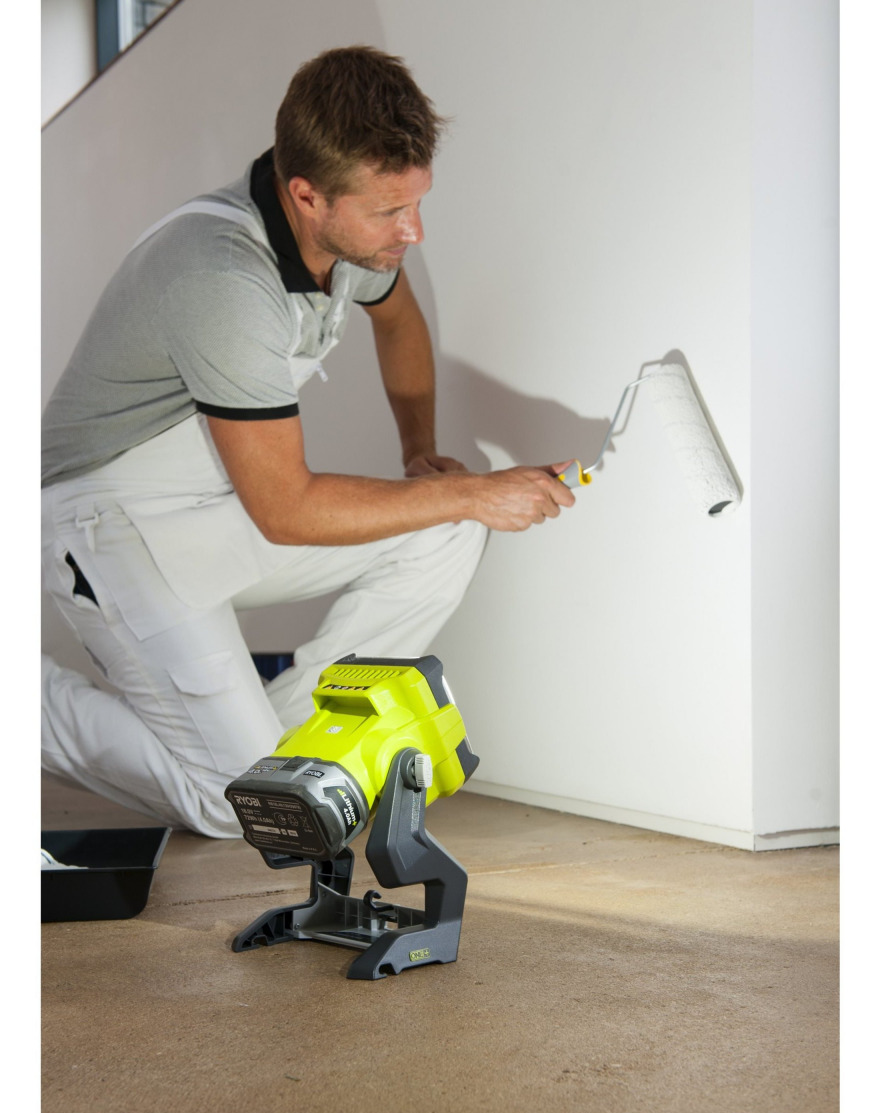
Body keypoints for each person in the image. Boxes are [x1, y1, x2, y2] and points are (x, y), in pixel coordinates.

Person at [41, 46, 574, 838]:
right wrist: (467, 488)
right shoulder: (221, 277)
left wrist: (421, 453)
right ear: (306, 195)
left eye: (416, 202)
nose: (413, 230)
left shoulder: (347, 244)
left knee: (450, 528)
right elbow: (286, 510)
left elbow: (399, 323)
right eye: (389, 212)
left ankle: (285, 748)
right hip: (110, 523)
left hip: (222, 504)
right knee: (235, 808)